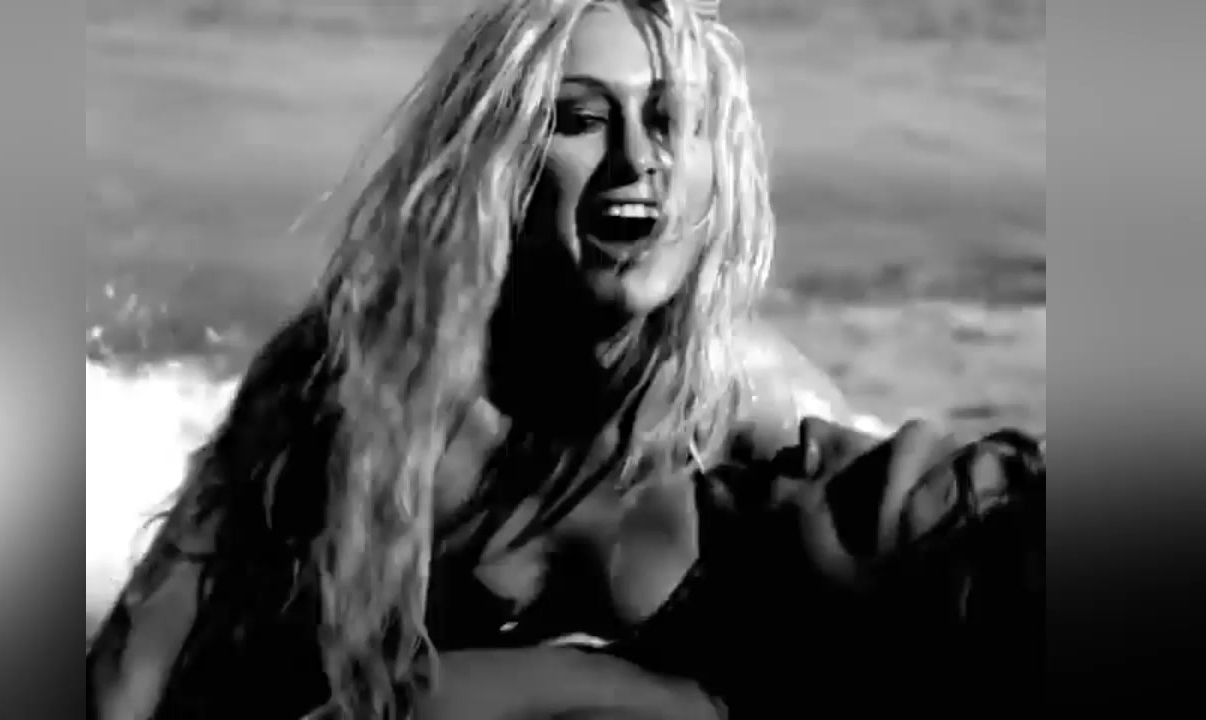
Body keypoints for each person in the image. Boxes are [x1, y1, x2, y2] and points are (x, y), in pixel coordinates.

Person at [86, 1, 1043, 718]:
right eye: (581, 119)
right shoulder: (367, 376)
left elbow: (936, 579)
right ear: (497, 160)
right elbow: (146, 646)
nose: (639, 160)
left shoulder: (751, 402)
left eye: (673, 120)